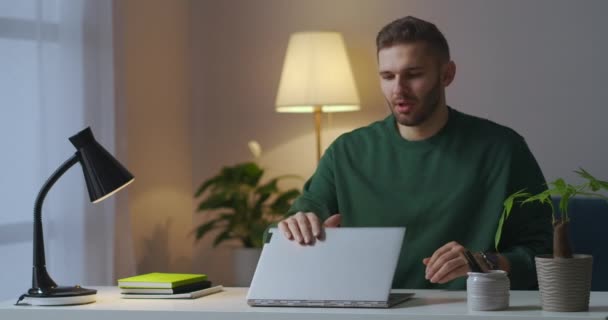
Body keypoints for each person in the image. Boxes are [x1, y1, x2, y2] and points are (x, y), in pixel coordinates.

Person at [277, 16, 553, 289]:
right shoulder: (346, 152)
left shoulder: (503, 149)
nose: (398, 90)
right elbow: (283, 235)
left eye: (413, 75)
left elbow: (547, 257)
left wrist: (483, 262)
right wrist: (296, 228)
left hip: (471, 309)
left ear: (447, 74)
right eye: (388, 76)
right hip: (371, 310)